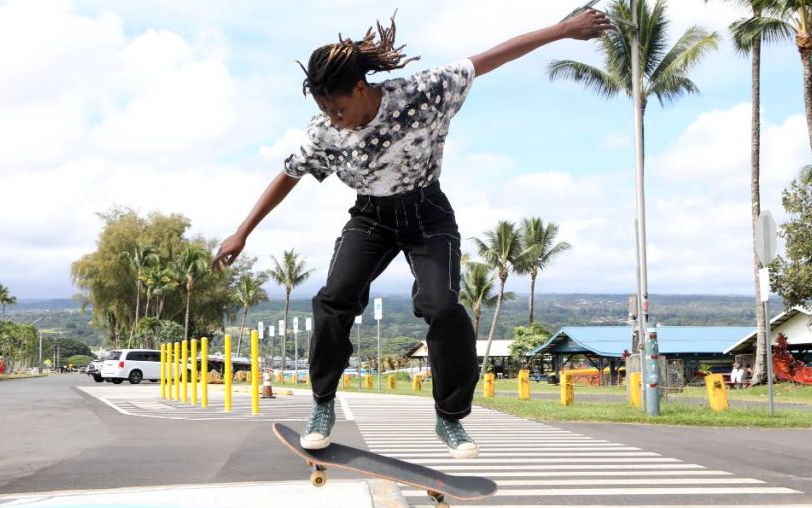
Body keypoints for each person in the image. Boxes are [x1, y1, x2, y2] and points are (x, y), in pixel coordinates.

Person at [213, 10, 613, 458]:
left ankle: (450, 418)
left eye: (340, 108)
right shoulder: (324, 132)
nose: (335, 119)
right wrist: (242, 232)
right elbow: (288, 174)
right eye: (326, 111)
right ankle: (322, 405)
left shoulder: (424, 91)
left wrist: (561, 31)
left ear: (361, 88)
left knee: (442, 308)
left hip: (428, 215)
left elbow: (492, 58)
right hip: (370, 219)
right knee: (333, 298)